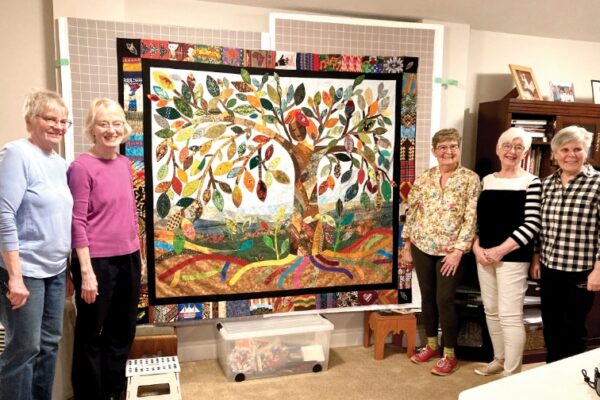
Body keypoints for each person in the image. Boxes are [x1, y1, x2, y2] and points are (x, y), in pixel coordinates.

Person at [0, 90, 73, 400]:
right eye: (50, 119)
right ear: (30, 120)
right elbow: (3, 214)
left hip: (55, 270)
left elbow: (59, 221)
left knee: (49, 343)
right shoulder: (15, 154)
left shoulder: (61, 164)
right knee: (24, 347)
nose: (58, 126)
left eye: (63, 121)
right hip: (25, 270)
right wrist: (14, 276)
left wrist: (67, 270)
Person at [68, 98, 141, 400]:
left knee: (122, 332)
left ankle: (114, 393)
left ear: (124, 128)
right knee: (90, 334)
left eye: (116, 123)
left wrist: (139, 257)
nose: (111, 130)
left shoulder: (125, 164)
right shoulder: (81, 167)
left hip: (129, 258)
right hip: (96, 263)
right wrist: (85, 272)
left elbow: (129, 213)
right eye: (103, 124)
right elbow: (76, 222)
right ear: (92, 129)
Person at [401, 128, 480, 376]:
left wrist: (459, 250)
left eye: (453, 146)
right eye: (443, 147)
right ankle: (431, 345)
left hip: (451, 251)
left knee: (444, 299)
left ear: (459, 149)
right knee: (427, 297)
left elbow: (472, 217)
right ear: (434, 151)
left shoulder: (470, 178)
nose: (448, 151)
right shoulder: (425, 178)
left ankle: (450, 354)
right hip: (422, 245)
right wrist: (406, 246)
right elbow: (412, 211)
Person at [472, 127, 541, 376]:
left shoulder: (532, 182)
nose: (512, 151)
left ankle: (511, 374)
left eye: (518, 146)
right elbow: (478, 221)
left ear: (525, 151)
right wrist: (476, 247)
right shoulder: (487, 181)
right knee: (491, 309)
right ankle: (499, 359)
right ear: (498, 149)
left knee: (510, 315)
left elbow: (532, 224)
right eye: (507, 146)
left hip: (512, 257)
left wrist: (500, 250)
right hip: (484, 255)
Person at [531, 125, 600, 363]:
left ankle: (569, 379)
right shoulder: (546, 184)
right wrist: (536, 257)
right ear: (555, 153)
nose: (571, 155)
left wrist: (598, 270)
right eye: (565, 149)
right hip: (550, 267)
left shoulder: (597, 183)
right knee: (551, 324)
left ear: (586, 151)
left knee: (573, 329)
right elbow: (539, 225)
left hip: (581, 270)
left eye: (577, 149)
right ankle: (551, 371)